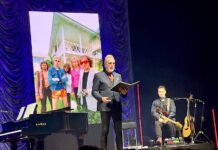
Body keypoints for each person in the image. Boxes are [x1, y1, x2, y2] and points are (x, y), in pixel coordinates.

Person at [92, 54, 128, 150]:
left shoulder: (118, 76)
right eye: (109, 63)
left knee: (118, 131)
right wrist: (101, 98)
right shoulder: (98, 76)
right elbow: (94, 91)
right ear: (105, 64)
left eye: (113, 63)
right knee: (105, 130)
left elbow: (122, 92)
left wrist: (124, 93)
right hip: (105, 106)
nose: (112, 65)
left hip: (116, 106)